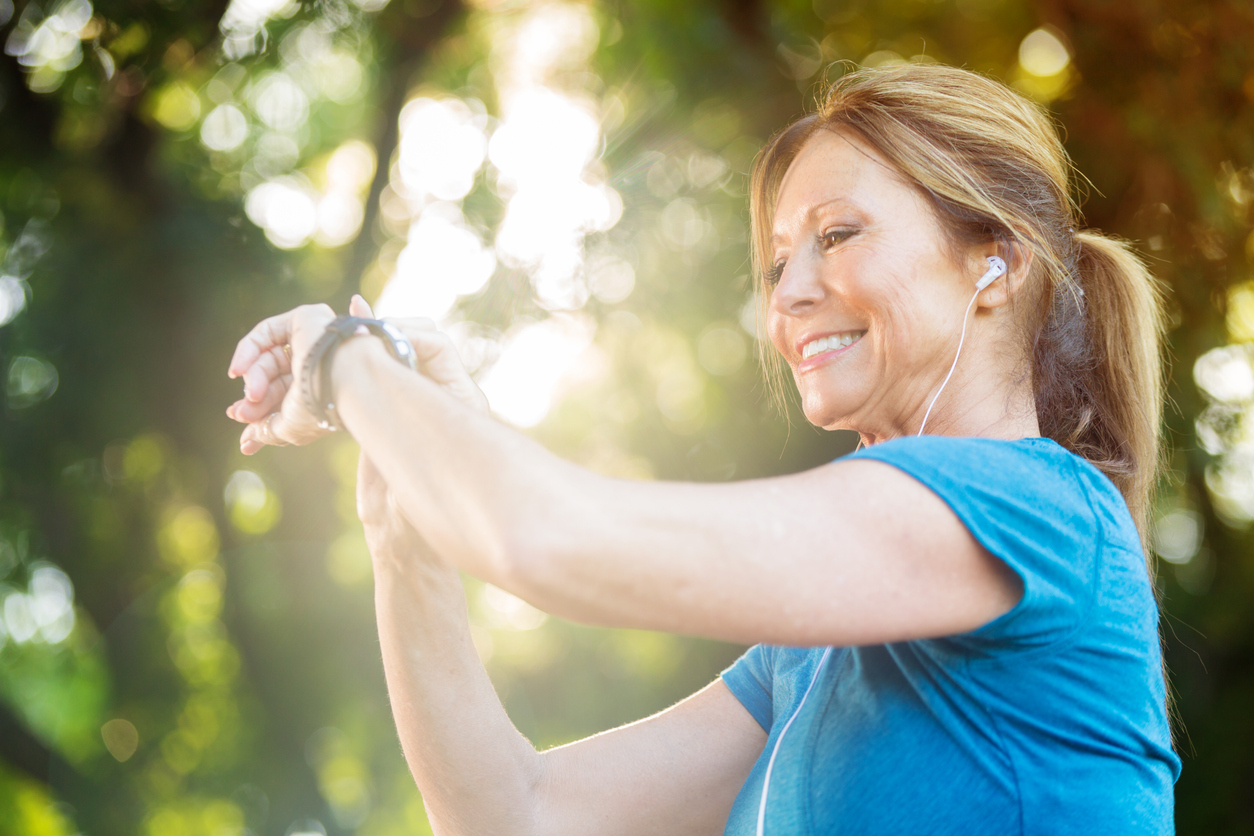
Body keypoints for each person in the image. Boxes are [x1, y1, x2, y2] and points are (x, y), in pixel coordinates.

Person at [226, 64, 1180, 835]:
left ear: (995, 262)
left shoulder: (1038, 510)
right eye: (774, 263)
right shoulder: (806, 660)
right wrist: (407, 526)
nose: (786, 295)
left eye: (837, 235)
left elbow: (549, 539)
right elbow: (516, 816)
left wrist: (348, 362)